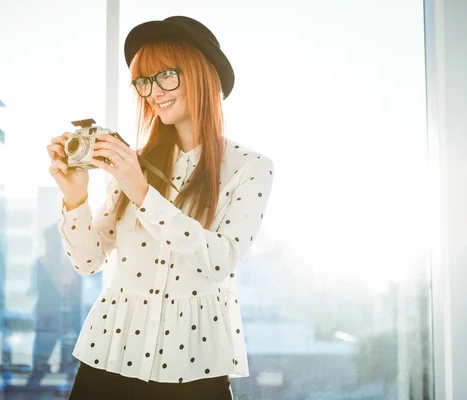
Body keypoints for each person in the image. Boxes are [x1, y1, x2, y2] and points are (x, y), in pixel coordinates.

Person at [46, 16, 274, 400]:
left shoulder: (250, 167)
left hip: (196, 367)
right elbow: (88, 261)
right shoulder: (133, 163)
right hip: (108, 360)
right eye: (145, 81)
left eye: (166, 75)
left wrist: (141, 191)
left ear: (202, 74)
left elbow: (219, 260)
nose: (153, 92)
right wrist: (75, 196)